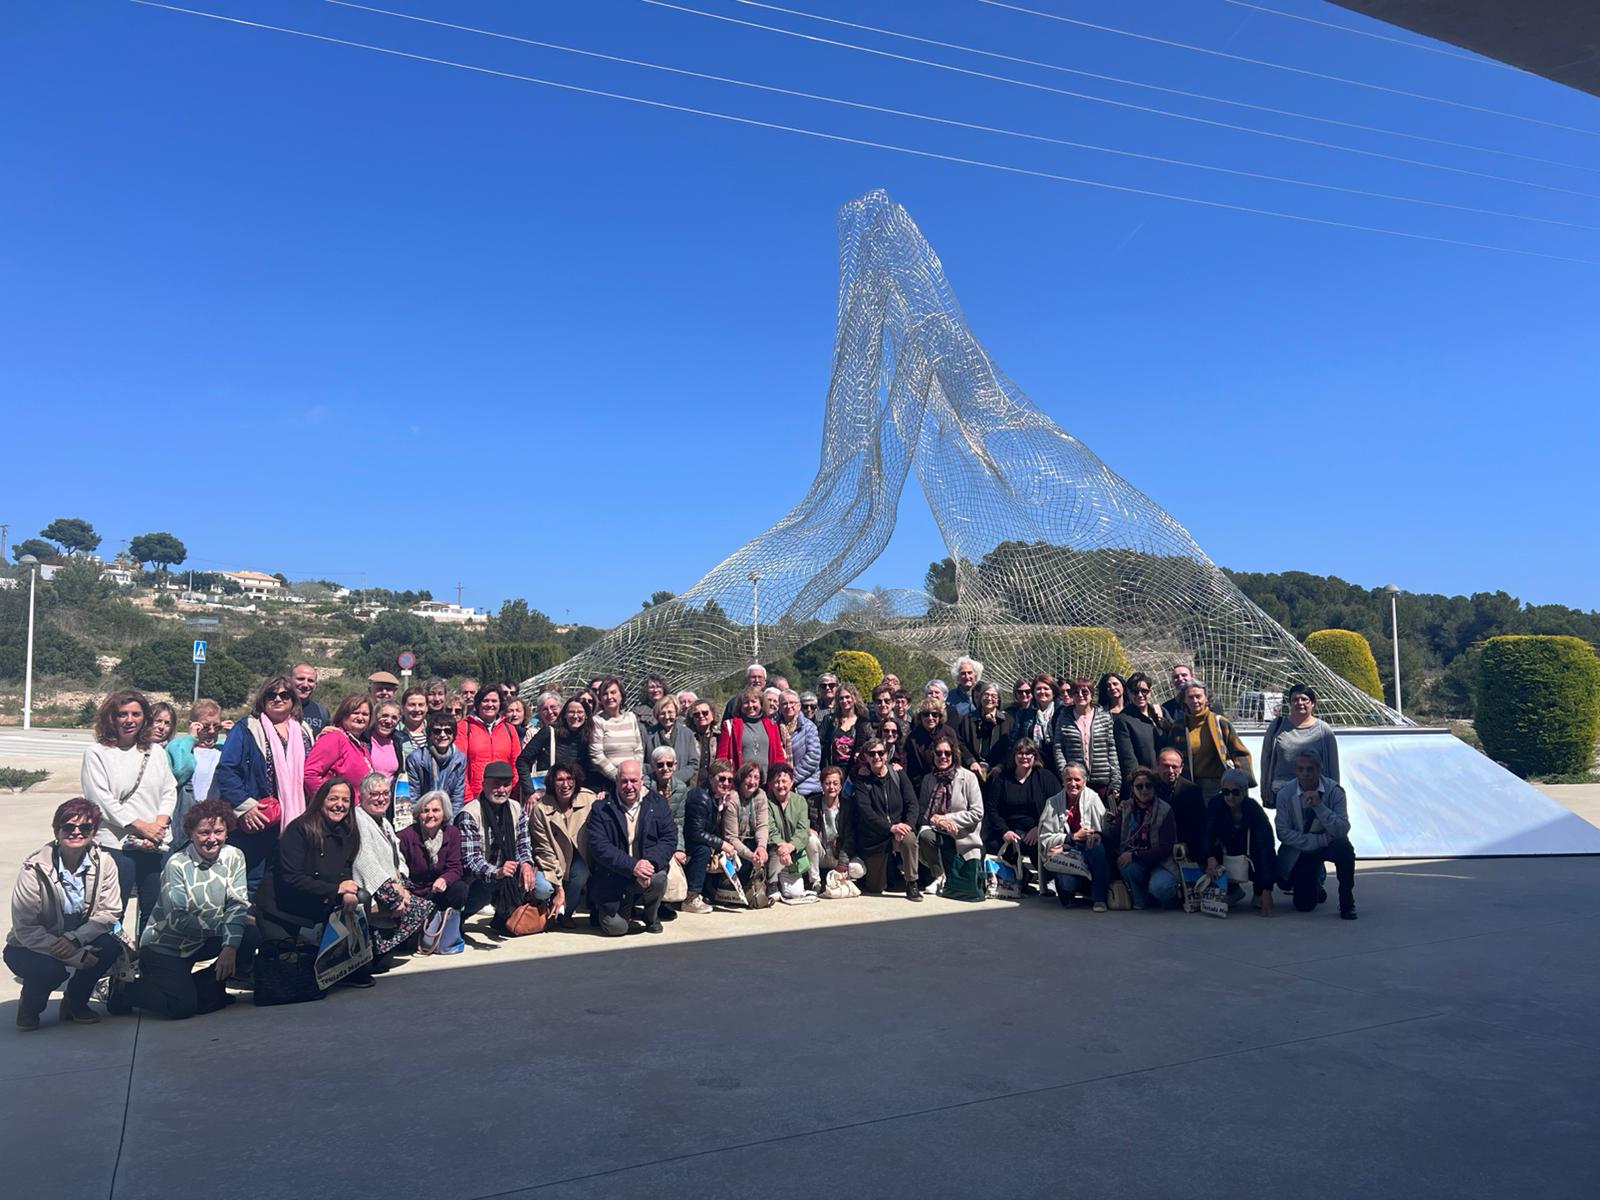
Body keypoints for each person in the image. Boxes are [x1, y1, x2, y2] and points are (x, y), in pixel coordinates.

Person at [112, 798, 254, 1020]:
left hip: (203, 940)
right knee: (182, 1007)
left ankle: (206, 988)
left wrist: (230, 946)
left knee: (251, 935)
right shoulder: (177, 864)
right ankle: (124, 991)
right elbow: (179, 919)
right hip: (166, 947)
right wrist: (228, 928)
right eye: (204, 833)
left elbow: (238, 903)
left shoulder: (234, 856)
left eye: (218, 831)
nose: (212, 839)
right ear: (190, 834)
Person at [6, 799, 125, 1028]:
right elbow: (26, 928)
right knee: (50, 971)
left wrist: (76, 939)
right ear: (57, 831)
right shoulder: (34, 869)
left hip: (77, 938)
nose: (76, 832)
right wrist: (74, 955)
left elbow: (110, 912)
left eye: (85, 827)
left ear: (93, 831)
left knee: (110, 946)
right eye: (68, 826)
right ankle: (30, 1007)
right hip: (29, 946)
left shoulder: (105, 863)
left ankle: (75, 1003)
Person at [252, 778, 369, 986]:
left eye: (345, 800)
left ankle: (352, 965)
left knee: (361, 897)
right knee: (289, 977)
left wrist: (347, 890)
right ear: (321, 800)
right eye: (333, 798)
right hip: (281, 910)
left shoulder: (348, 831)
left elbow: (345, 867)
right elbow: (291, 877)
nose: (339, 805)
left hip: (318, 904)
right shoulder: (299, 829)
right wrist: (336, 889)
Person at [80, 690, 177, 930]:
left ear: (145, 718)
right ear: (111, 718)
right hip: (116, 845)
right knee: (112, 913)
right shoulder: (97, 753)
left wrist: (158, 826)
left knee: (153, 914)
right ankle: (114, 953)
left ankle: (146, 954)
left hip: (154, 844)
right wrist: (142, 827)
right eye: (122, 714)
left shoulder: (155, 751)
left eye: (136, 714)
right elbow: (100, 799)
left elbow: (169, 790)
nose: (129, 720)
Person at [215, 675, 315, 893]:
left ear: (293, 699)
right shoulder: (246, 728)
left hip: (295, 821)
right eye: (272, 694)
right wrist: (245, 806)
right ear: (263, 698)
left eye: (284, 695)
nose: (278, 699)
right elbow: (227, 770)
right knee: (253, 883)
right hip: (259, 819)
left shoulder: (304, 730)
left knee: (287, 882)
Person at [585, 759, 675, 935]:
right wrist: (633, 867)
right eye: (624, 781)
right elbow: (599, 846)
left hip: (645, 872)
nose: (629, 786)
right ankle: (613, 908)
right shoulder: (601, 808)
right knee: (617, 928)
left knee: (659, 878)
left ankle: (650, 916)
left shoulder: (658, 804)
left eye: (633, 781)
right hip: (613, 877)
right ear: (616, 781)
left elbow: (669, 838)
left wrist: (649, 864)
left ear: (642, 780)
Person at [455, 762, 547, 933]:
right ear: (484, 785)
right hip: (478, 878)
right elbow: (470, 860)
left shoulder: (516, 808)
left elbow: (523, 844)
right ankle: (459, 917)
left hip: (508, 872)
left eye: (506, 785)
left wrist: (526, 864)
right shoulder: (469, 814)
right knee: (484, 890)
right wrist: (497, 872)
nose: (502, 790)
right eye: (496, 784)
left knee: (541, 886)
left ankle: (504, 916)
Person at [351, 773, 432, 958]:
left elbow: (398, 858)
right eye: (374, 794)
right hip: (374, 891)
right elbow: (364, 862)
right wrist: (393, 896)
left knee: (426, 906)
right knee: (417, 908)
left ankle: (386, 946)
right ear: (361, 796)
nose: (381, 799)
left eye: (385, 793)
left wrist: (402, 886)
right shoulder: (358, 820)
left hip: (393, 885)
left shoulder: (384, 821)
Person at [1274, 753, 1357, 919]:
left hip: (1330, 845)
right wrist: (1319, 840)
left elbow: (1342, 829)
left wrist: (1319, 806)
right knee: (1303, 905)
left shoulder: (1335, 792)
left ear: (1319, 770)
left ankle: (1347, 902)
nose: (1305, 774)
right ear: (1295, 771)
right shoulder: (1285, 794)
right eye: (1301, 769)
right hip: (1303, 848)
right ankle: (1315, 885)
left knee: (1345, 849)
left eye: (1310, 769)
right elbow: (1282, 832)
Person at [844, 738, 921, 899]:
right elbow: (865, 811)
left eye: (881, 753)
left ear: (887, 755)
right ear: (866, 756)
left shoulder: (898, 774)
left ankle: (911, 882)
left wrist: (907, 825)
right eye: (872, 754)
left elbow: (912, 803)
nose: (877, 757)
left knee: (909, 839)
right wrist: (890, 828)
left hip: (899, 831)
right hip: (875, 836)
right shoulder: (862, 779)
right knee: (875, 888)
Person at [981, 737, 1058, 889]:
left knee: (1041, 851)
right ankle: (1021, 876)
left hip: (1036, 832)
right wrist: (1004, 831)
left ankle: (1048, 879)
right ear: (1014, 756)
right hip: (1010, 832)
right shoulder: (1003, 778)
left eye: (1028, 753)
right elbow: (991, 808)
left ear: (1034, 756)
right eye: (1020, 753)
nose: (1024, 757)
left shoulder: (1045, 777)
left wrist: (1039, 828)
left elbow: (1056, 807)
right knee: (992, 845)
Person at [914, 734, 984, 895]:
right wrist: (937, 821)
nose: (943, 757)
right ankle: (940, 876)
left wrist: (947, 818)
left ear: (954, 755)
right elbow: (922, 811)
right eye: (938, 753)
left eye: (947, 753)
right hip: (937, 831)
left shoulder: (968, 777)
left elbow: (977, 812)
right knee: (924, 835)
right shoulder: (928, 779)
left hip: (962, 833)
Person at [528, 762, 595, 927]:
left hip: (577, 862)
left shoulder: (589, 799)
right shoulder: (540, 809)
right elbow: (543, 851)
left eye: (569, 778)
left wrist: (603, 796)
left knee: (581, 872)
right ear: (552, 782)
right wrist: (559, 889)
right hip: (549, 862)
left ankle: (566, 913)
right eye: (560, 780)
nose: (565, 784)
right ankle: (542, 910)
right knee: (543, 889)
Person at [1202, 768, 1276, 915]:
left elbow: (1266, 849)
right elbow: (1207, 834)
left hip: (1250, 856)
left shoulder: (1254, 811)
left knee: (1261, 854)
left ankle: (1259, 891)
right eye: (1225, 792)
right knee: (1204, 853)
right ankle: (1231, 890)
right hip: (1225, 853)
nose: (1230, 797)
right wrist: (1209, 857)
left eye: (1235, 792)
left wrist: (1267, 889)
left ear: (1244, 792)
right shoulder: (1215, 805)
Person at [1104, 766, 1179, 910]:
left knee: (1161, 887)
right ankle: (1140, 900)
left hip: (1160, 862)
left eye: (1148, 786)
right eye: (1139, 786)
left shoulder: (1165, 810)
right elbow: (1114, 835)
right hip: (1135, 862)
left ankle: (1166, 898)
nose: (1144, 790)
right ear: (1133, 789)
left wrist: (1136, 855)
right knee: (1126, 866)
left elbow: (1166, 848)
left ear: (1154, 787)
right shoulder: (1125, 808)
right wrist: (1097, 835)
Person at [1036, 765, 1110, 911]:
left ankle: (1099, 898)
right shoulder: (1053, 802)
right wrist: (1070, 839)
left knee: (1097, 849)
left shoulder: (1093, 799)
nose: (1073, 783)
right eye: (1068, 779)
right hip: (1066, 851)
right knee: (1068, 882)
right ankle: (1068, 894)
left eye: (1077, 779)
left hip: (1088, 849)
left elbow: (1105, 829)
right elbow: (1044, 838)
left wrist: (1097, 835)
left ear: (1085, 781)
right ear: (1062, 781)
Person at [1259, 684, 1340, 806]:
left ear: (1313, 703)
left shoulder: (1324, 730)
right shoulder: (1277, 726)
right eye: (1295, 699)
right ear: (1290, 703)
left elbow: (1333, 766)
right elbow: (1266, 759)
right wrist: (1265, 792)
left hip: (1314, 796)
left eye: (1304, 699)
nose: (1300, 703)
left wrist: (1334, 798)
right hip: (1283, 794)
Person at [1170, 683, 1254, 801]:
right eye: (1190, 697)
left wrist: (1244, 781)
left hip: (1216, 785)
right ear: (1184, 700)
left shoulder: (1220, 723)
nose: (1195, 701)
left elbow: (1240, 752)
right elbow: (1170, 755)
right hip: (1188, 785)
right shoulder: (1178, 727)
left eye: (1198, 696)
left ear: (1206, 698)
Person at [681, 760, 740, 914]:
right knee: (703, 850)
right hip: (687, 843)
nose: (726, 783)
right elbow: (695, 832)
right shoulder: (701, 797)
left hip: (701, 839)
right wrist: (721, 844)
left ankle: (709, 891)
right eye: (722, 779)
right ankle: (690, 897)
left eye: (730, 780)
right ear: (711, 778)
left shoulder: (718, 797)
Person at [165, 698, 225, 848]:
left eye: (217, 727)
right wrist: (190, 739)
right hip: (185, 815)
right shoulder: (179, 746)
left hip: (215, 818)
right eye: (205, 727)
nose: (212, 731)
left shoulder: (223, 749)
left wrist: (234, 736)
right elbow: (179, 774)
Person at [1052, 678, 1122, 808]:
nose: (1080, 695)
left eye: (1084, 692)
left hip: (1101, 780)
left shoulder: (1105, 717)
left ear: (1091, 694)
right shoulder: (1064, 717)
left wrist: (1115, 780)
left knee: (1103, 816)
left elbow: (1111, 749)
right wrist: (1065, 773)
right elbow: (1058, 748)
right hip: (1075, 782)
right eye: (1075, 692)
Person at [398, 790, 468, 912]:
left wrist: (444, 879)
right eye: (425, 811)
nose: (430, 815)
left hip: (439, 890)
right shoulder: (405, 836)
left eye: (435, 810)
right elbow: (399, 871)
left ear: (444, 814)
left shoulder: (452, 833)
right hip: (414, 893)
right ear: (418, 814)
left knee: (460, 888)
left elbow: (455, 867)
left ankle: (450, 920)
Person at [456, 684, 524, 801]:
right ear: (478, 703)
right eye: (485, 701)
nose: (490, 704)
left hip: (504, 795)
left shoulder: (509, 729)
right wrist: (468, 798)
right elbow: (459, 767)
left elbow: (516, 764)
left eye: (494, 701)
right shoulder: (464, 727)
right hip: (475, 796)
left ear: (500, 704)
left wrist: (513, 793)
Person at [303, 692, 376, 799]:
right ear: (344, 714)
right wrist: (330, 800)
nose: (360, 718)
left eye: (365, 714)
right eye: (355, 713)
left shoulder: (360, 745)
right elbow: (310, 774)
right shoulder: (333, 738)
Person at [765, 762, 818, 902]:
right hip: (776, 851)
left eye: (784, 781)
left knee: (795, 894)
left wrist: (790, 847)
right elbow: (770, 829)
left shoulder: (800, 801)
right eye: (776, 782)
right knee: (775, 851)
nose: (780, 785)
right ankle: (772, 883)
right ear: (771, 784)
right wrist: (782, 846)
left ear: (792, 782)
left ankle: (813, 879)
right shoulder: (766, 801)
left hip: (794, 851)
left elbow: (802, 829)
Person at [720, 761, 772, 899]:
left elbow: (762, 825)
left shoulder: (761, 795)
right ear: (741, 777)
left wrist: (761, 847)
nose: (752, 782)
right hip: (735, 845)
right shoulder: (732, 799)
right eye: (749, 776)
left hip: (753, 842)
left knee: (766, 848)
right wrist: (751, 856)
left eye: (756, 777)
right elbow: (731, 837)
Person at [647, 745, 689, 913]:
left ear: (675, 765)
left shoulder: (681, 788)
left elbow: (679, 821)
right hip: (647, 835)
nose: (665, 768)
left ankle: (665, 903)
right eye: (660, 764)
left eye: (669, 764)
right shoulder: (644, 785)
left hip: (668, 836)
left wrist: (679, 848)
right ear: (652, 766)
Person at [1113, 672, 1165, 801]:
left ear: (1150, 692)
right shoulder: (1123, 720)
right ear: (1128, 693)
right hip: (1146, 787)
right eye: (1135, 692)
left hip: (1166, 781)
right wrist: (1140, 787)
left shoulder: (1160, 712)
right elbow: (1128, 759)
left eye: (1144, 691)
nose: (1140, 695)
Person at [1153, 748, 1208, 866]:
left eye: (1174, 767)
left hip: (1184, 851)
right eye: (1166, 766)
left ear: (1181, 768)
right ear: (1157, 765)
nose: (1170, 771)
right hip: (1153, 849)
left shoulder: (1193, 791)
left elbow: (1200, 826)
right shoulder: (1146, 787)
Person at [808, 765, 861, 887]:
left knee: (859, 869)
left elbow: (850, 837)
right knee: (810, 838)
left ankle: (840, 876)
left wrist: (843, 862)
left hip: (839, 852)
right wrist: (807, 829)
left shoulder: (847, 806)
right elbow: (801, 825)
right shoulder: (812, 803)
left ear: (841, 786)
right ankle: (815, 881)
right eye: (827, 783)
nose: (831, 787)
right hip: (821, 853)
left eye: (835, 783)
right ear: (821, 785)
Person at [588, 678, 644, 790]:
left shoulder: (631, 717)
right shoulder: (597, 721)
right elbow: (596, 755)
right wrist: (619, 777)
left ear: (621, 695)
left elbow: (638, 750)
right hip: (610, 783)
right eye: (605, 694)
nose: (609, 697)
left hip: (633, 782)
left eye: (613, 692)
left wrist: (635, 774)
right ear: (600, 698)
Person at [904, 699, 970, 794]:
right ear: (920, 717)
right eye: (926, 714)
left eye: (935, 714)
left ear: (940, 716)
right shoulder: (912, 738)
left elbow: (956, 760)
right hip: (923, 786)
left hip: (950, 782)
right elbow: (912, 768)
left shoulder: (949, 732)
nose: (930, 718)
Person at [716, 687, 786, 775]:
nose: (750, 705)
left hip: (766, 779)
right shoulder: (730, 725)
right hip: (739, 779)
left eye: (754, 701)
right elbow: (722, 757)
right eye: (746, 702)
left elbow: (779, 757)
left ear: (761, 704)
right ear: (740, 706)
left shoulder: (772, 726)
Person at [407, 712, 468, 810]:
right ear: (429, 734)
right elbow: (413, 794)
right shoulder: (416, 758)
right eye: (437, 731)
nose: (442, 735)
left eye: (448, 731)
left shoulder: (459, 759)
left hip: (447, 811)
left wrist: (452, 819)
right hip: (423, 810)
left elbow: (457, 796)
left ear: (454, 734)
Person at [957, 681, 1011, 781]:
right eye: (986, 695)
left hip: (999, 772)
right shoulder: (967, 719)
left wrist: (1001, 765)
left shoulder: (1007, 721)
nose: (989, 698)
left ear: (998, 700)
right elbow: (960, 742)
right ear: (980, 697)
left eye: (993, 696)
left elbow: (1011, 746)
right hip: (972, 771)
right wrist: (971, 761)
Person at [644, 697, 699, 791]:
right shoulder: (648, 734)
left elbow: (693, 764)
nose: (667, 717)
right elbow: (644, 763)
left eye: (670, 712)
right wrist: (657, 777)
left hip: (680, 787)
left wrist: (674, 780)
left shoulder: (687, 734)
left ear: (676, 712)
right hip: (654, 787)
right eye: (662, 713)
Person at [778, 689, 821, 804]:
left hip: (807, 788)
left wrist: (791, 778)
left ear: (799, 706)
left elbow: (813, 758)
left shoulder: (809, 727)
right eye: (784, 703)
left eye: (792, 703)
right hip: (780, 788)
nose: (788, 706)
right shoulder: (774, 727)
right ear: (780, 707)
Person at [817, 683, 870, 774]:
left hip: (855, 771)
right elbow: (820, 744)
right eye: (841, 698)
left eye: (847, 697)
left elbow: (869, 745)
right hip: (833, 771)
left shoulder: (863, 722)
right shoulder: (830, 720)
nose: (844, 700)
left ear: (854, 698)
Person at [363, 700, 406, 782]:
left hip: (389, 789)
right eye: (384, 715)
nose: (389, 721)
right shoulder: (363, 739)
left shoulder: (398, 741)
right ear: (375, 716)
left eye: (394, 718)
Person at [1016, 674, 1061, 751]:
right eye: (1038, 689)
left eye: (1046, 689)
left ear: (1053, 692)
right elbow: (1016, 740)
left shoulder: (1062, 712)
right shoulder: (1024, 714)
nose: (1042, 692)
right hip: (1033, 756)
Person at [686, 699, 720, 787]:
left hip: (713, 784)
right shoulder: (687, 737)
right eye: (696, 714)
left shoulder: (719, 737)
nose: (701, 716)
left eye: (705, 713)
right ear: (692, 718)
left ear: (713, 715)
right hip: (692, 784)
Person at [291, 664, 329, 735]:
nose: (305, 685)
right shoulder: (277, 709)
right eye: (301, 679)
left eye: (310, 681)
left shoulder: (322, 712)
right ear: (290, 680)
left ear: (315, 685)